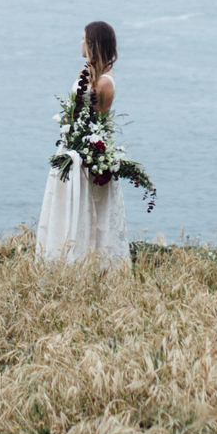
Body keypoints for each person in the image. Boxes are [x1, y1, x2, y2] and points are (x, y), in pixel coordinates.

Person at [36, 21, 129, 269]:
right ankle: (62, 257)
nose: (80, 43)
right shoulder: (87, 71)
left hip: (88, 151)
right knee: (65, 206)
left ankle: (90, 263)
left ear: (93, 44)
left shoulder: (105, 82)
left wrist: (72, 121)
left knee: (90, 210)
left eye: (83, 38)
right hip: (72, 147)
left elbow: (95, 119)